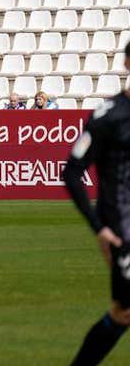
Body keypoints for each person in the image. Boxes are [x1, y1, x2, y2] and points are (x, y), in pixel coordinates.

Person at [64, 41, 130, 365]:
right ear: (128, 65)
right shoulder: (108, 116)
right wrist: (99, 228)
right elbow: (72, 172)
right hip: (122, 230)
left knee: (123, 313)